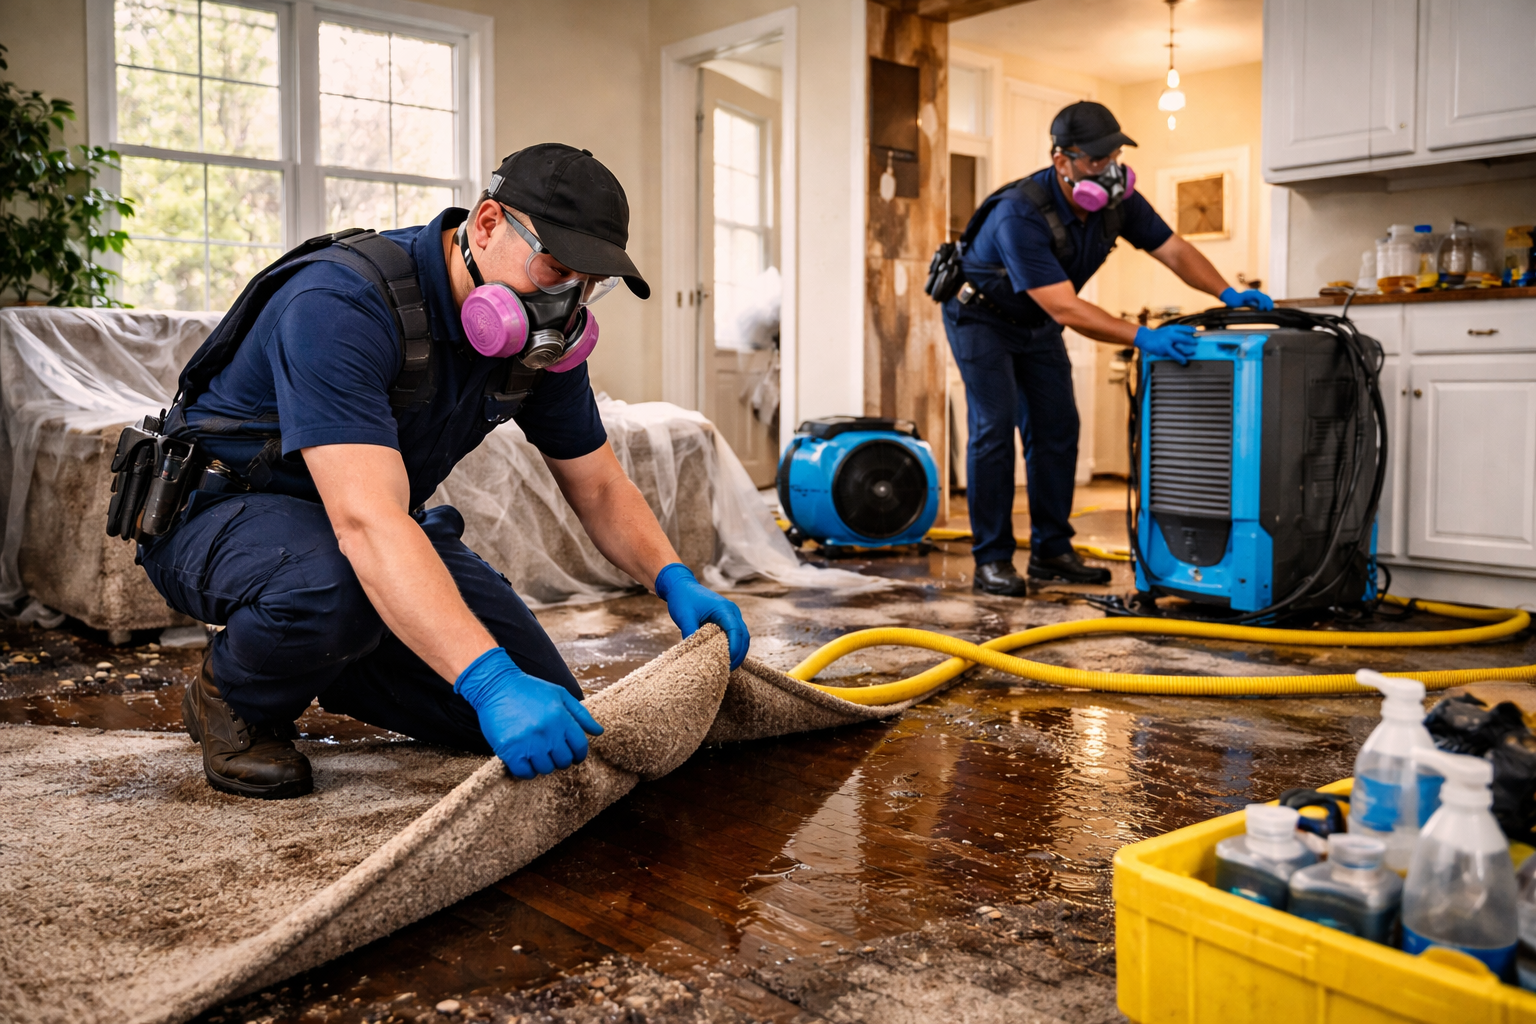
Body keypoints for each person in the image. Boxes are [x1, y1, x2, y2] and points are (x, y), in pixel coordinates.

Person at [140, 144, 750, 799]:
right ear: (486, 225)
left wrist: (674, 576)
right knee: (345, 587)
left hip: (362, 526)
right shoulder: (341, 304)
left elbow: (597, 483)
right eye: (556, 268)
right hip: (218, 513)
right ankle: (233, 694)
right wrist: (486, 679)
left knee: (550, 708)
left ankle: (331, 651)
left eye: (590, 283)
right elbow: (366, 522)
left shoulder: (540, 347)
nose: (570, 301)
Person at [943, 101, 1272, 597]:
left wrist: (1227, 293)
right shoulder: (1020, 213)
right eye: (1097, 160)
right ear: (1062, 161)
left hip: (1037, 321)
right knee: (994, 427)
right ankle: (992, 559)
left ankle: (1052, 552)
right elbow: (1067, 309)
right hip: (982, 318)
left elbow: (1173, 249)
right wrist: (1145, 337)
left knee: (1057, 428)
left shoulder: (1119, 202)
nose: (1110, 168)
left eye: (1114, 155)